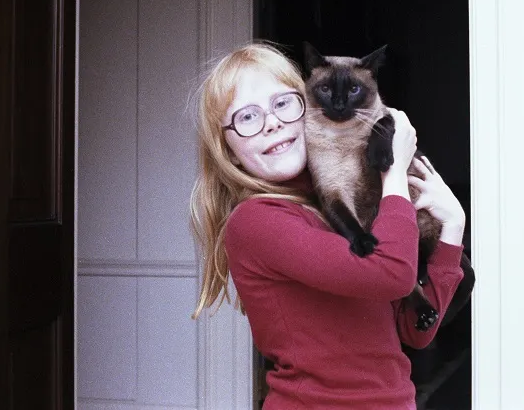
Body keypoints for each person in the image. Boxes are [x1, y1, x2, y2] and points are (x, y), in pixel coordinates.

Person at [190, 42, 466, 409]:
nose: (271, 122)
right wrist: (395, 171)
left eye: (283, 103)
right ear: (227, 149)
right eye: (247, 117)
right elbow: (392, 276)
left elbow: (415, 332)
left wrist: (453, 228)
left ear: (305, 106)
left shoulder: (327, 210)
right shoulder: (257, 221)